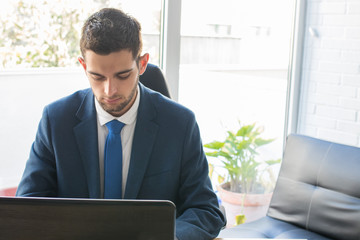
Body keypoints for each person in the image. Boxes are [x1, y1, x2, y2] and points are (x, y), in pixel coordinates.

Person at [16, 8, 225, 239]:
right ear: (84, 66)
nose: (110, 90)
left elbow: (205, 210)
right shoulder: (56, 121)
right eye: (97, 77)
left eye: (122, 75)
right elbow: (27, 209)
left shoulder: (180, 124)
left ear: (142, 64)